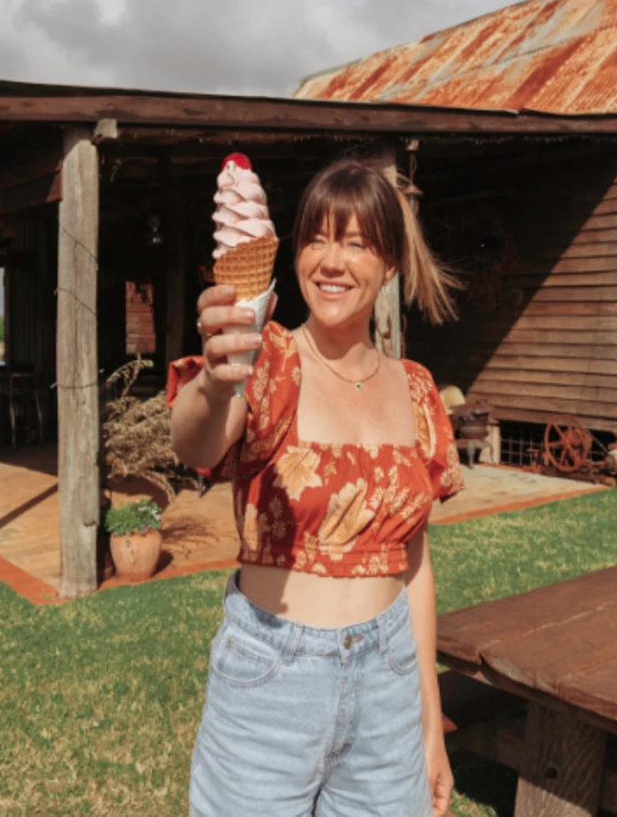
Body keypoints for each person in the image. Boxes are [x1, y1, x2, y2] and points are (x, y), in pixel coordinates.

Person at [169, 156, 464, 817]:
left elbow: (413, 563)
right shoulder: (263, 357)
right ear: (293, 252)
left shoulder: (417, 389)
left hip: (388, 685)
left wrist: (427, 724)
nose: (332, 261)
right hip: (271, 679)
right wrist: (215, 381)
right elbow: (196, 441)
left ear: (388, 266)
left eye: (357, 243)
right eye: (317, 238)